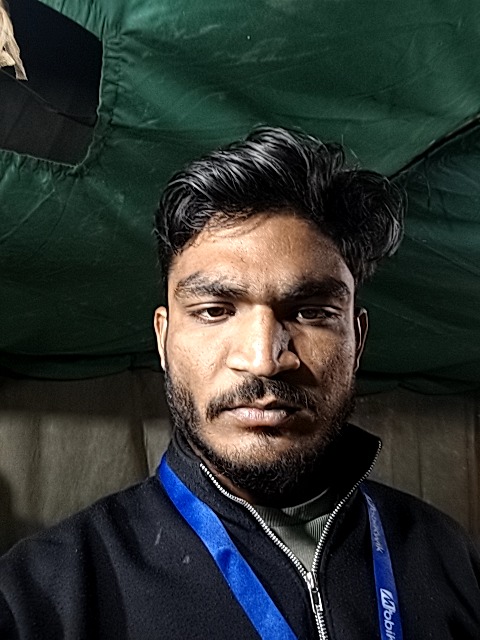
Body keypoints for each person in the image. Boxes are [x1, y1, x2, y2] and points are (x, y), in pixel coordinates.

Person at [1, 127, 479, 640]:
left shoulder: (448, 556)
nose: (263, 360)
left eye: (311, 312)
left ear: (356, 341)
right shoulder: (38, 596)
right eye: (214, 310)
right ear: (163, 339)